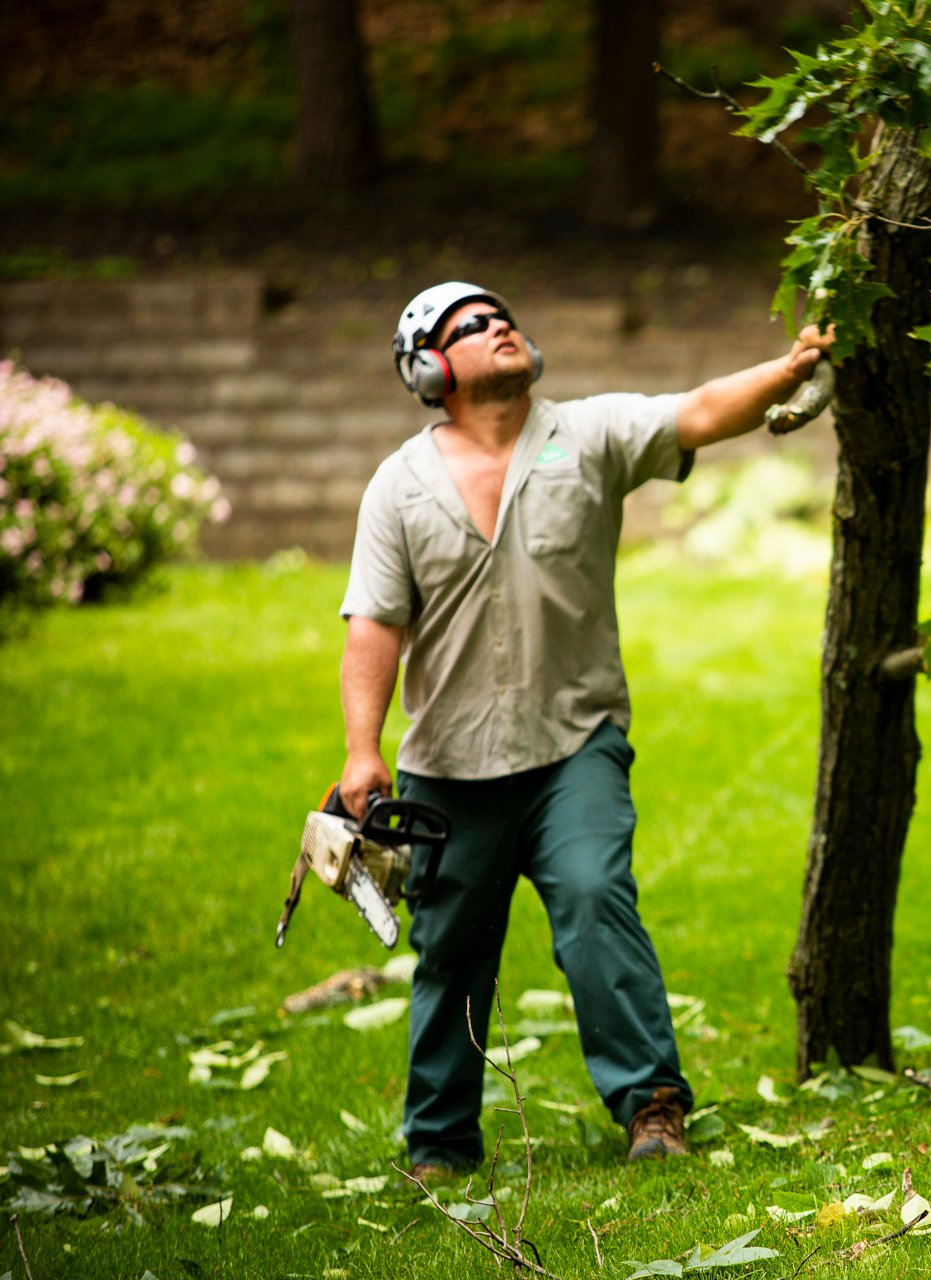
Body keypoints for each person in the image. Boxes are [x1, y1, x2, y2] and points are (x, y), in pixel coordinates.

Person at [337, 281, 831, 1171]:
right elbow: (374, 623)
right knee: (451, 951)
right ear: (430, 368)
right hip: (449, 769)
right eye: (471, 327)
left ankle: (653, 1107)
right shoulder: (398, 487)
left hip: (576, 745)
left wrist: (791, 368)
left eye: (503, 317)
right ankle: (441, 1140)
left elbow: (703, 410)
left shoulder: (589, 435)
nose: (501, 328)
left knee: (599, 904)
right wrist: (363, 750)